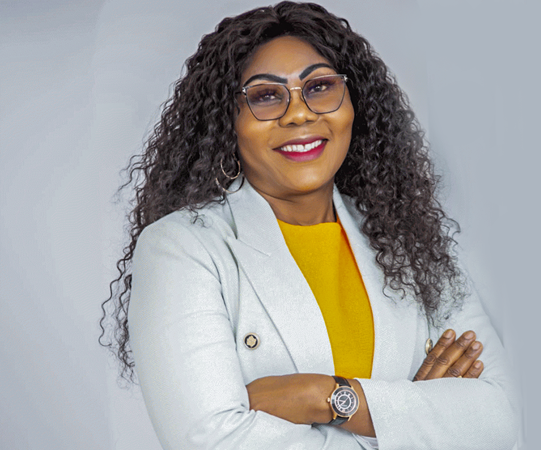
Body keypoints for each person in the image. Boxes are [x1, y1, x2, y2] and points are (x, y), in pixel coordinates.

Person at [99, 2, 518, 449]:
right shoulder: (180, 249)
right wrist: (417, 422)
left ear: (354, 104)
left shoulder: (410, 241)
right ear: (227, 122)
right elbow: (212, 441)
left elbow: (504, 419)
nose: (298, 114)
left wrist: (324, 397)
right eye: (266, 96)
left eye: (319, 87)